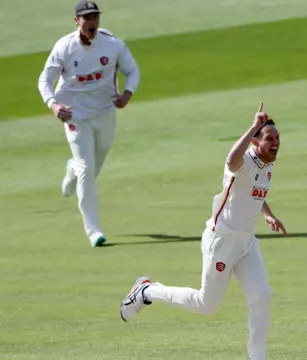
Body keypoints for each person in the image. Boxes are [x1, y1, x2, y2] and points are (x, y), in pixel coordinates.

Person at [120, 104, 287, 360]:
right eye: (268, 138)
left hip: (246, 244)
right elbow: (231, 161)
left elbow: (253, 192)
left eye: (277, 138)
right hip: (221, 241)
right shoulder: (244, 161)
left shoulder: (268, 164)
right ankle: (146, 291)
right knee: (206, 304)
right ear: (255, 141)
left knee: (262, 296)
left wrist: (268, 214)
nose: (275, 142)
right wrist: (253, 126)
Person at [37, 0, 140, 247]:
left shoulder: (112, 45)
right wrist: (53, 105)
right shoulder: (64, 47)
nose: (92, 22)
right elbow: (44, 80)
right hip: (74, 115)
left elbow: (133, 70)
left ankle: (71, 169)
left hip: (105, 112)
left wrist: (127, 94)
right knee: (87, 170)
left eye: (95, 17)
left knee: (92, 169)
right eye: (86, 18)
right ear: (77, 21)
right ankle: (93, 230)